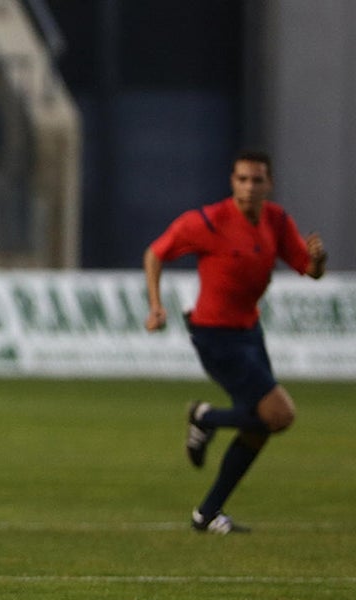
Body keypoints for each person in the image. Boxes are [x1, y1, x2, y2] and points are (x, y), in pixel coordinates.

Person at [144, 149, 328, 534]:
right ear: (232, 182)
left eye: (257, 180)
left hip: (250, 332)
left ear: (269, 184)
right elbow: (156, 253)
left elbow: (308, 271)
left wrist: (319, 259)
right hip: (215, 334)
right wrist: (157, 306)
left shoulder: (276, 221)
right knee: (281, 415)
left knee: (259, 429)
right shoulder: (209, 221)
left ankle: (207, 514)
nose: (249, 187)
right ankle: (206, 417)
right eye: (242, 179)